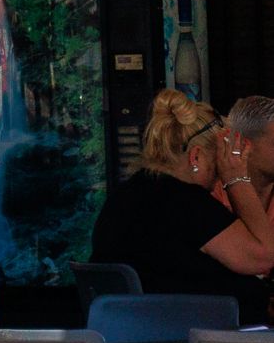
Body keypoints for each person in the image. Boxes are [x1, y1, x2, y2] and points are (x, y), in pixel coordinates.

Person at [90, 88, 274, 322]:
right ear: (196, 157)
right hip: (178, 333)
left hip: (124, 330)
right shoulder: (186, 202)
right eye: (217, 162)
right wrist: (236, 178)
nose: (219, 173)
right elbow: (264, 257)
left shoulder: (127, 193)